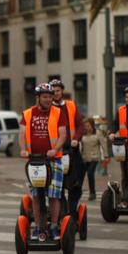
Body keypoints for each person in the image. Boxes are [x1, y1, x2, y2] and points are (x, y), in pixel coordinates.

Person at [18, 82, 66, 240]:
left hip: (53, 160)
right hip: (34, 161)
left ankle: (53, 226)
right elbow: (22, 134)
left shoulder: (58, 112)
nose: (48, 99)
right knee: (36, 196)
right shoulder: (27, 114)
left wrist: (56, 149)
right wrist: (23, 149)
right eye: (45, 96)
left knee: (54, 195)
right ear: (38, 97)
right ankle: (39, 227)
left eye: (50, 97)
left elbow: (62, 134)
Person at [50, 79, 85, 214]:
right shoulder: (49, 107)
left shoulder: (70, 105)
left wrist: (76, 139)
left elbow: (80, 125)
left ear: (62, 91)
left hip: (72, 150)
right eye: (53, 91)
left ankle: (71, 210)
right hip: (56, 152)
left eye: (58, 90)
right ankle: (61, 212)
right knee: (57, 185)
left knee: (77, 177)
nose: (56, 93)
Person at [81, 118, 107, 201]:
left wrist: (106, 155)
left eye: (88, 126)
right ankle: (78, 191)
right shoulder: (82, 134)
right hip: (84, 158)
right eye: (85, 126)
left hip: (94, 157)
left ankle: (92, 193)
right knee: (80, 174)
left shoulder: (97, 133)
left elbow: (103, 143)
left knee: (90, 173)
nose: (86, 128)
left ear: (92, 125)